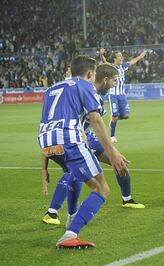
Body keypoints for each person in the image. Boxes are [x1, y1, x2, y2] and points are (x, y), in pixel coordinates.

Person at [38, 56, 129, 249]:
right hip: (69, 139)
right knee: (102, 188)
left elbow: (48, 124)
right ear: (90, 73)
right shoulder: (84, 86)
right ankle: (70, 234)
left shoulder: (51, 89)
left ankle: (72, 218)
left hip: (46, 142)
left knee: (74, 173)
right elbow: (95, 120)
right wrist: (112, 152)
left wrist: (44, 168)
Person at [100, 48, 146, 143]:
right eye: (120, 56)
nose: (122, 58)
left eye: (122, 56)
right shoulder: (111, 67)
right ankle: (112, 136)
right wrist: (101, 55)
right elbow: (104, 61)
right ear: (115, 59)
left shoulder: (123, 67)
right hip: (113, 95)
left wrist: (140, 56)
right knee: (115, 115)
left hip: (122, 95)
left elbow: (132, 62)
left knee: (125, 116)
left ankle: (115, 118)